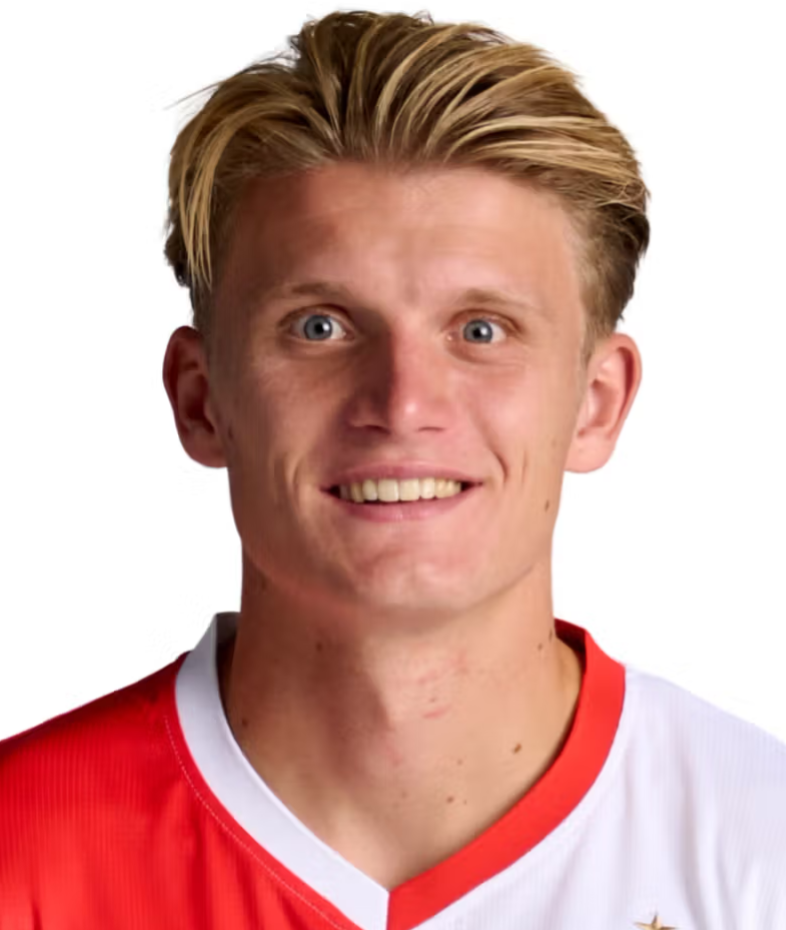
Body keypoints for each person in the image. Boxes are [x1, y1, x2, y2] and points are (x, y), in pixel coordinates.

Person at [1, 9, 784, 929]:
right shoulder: (20, 850)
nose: (404, 402)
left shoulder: (761, 850)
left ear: (597, 403)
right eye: (320, 327)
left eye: (481, 330)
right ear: (201, 400)